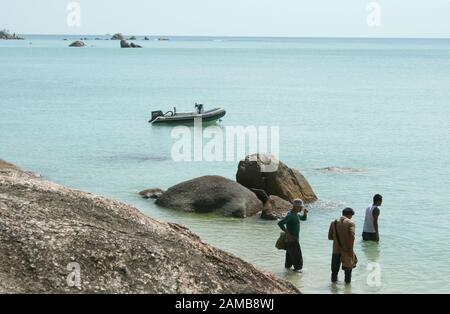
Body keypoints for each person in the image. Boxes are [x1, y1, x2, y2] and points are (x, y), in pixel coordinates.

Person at [277, 199, 308, 272]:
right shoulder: (291, 215)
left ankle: (288, 276)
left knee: (289, 262)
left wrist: (305, 213)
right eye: (300, 207)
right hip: (293, 241)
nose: (301, 208)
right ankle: (297, 277)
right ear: (295, 207)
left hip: (290, 241)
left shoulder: (295, 214)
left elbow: (303, 219)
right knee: (298, 261)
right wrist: (287, 232)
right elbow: (280, 223)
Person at [328, 208, 357, 284]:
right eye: (351, 216)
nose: (351, 218)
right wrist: (350, 251)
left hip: (335, 250)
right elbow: (352, 237)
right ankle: (347, 290)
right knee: (347, 274)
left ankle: (333, 290)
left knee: (334, 273)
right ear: (349, 215)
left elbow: (330, 237)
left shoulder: (333, 222)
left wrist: (338, 240)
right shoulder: (351, 223)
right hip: (347, 251)